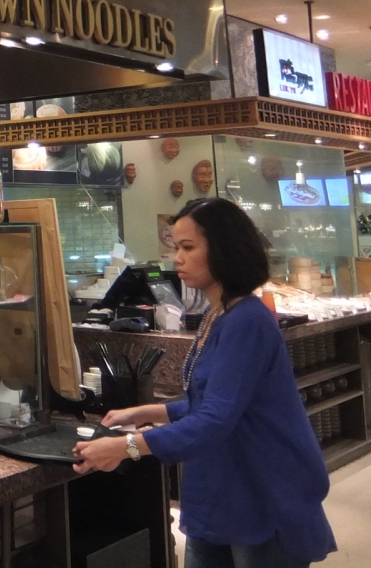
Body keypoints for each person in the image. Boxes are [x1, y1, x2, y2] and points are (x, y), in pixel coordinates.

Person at [72, 198, 336, 567]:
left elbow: (216, 418)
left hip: (259, 489)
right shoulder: (219, 312)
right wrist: (147, 412)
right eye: (176, 247)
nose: (177, 258)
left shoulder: (248, 321)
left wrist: (126, 447)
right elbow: (211, 401)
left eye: (188, 247)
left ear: (224, 249)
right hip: (220, 488)